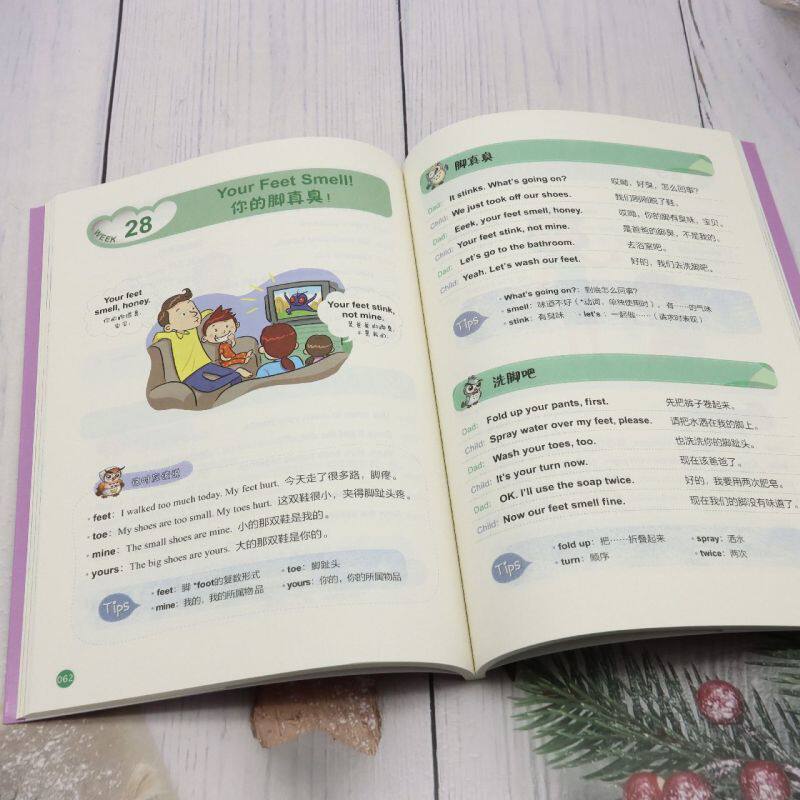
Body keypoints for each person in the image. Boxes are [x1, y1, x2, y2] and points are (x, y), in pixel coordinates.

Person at [152, 288, 248, 392]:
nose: (193, 313)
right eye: (183, 314)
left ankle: (236, 385)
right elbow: (157, 338)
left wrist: (209, 312)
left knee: (233, 376)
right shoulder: (171, 336)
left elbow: (204, 313)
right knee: (209, 387)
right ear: (168, 327)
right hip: (188, 374)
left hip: (205, 364)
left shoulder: (192, 329)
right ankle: (237, 373)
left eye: (193, 308)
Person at [200, 305, 254, 376]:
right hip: (225, 362)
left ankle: (246, 355)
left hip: (232, 356)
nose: (223, 331)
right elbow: (221, 355)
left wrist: (232, 340)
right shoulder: (221, 346)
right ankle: (244, 360)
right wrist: (225, 359)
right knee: (235, 360)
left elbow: (232, 345)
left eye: (227, 326)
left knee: (238, 355)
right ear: (205, 338)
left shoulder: (226, 343)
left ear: (236, 325)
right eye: (216, 330)